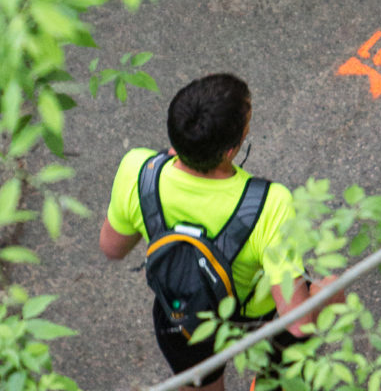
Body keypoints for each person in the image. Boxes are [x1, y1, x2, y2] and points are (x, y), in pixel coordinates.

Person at [99, 74, 337, 390]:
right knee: (323, 299)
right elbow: (297, 322)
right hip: (256, 320)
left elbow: (111, 248)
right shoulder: (270, 204)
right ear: (229, 151)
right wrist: (330, 291)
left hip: (183, 317)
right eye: (246, 125)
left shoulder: (138, 170)